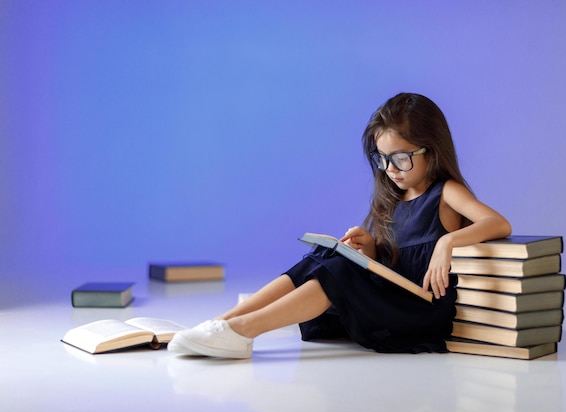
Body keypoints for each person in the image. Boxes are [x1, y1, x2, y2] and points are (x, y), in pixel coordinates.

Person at [168, 92, 512, 359]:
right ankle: (223, 322)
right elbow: (399, 264)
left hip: (419, 310)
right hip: (393, 297)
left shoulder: (446, 192)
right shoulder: (394, 198)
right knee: (328, 255)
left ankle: (244, 331)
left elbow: (498, 223)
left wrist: (447, 243)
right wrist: (374, 249)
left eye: (401, 158)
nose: (391, 169)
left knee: (339, 272)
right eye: (382, 159)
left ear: (432, 151)